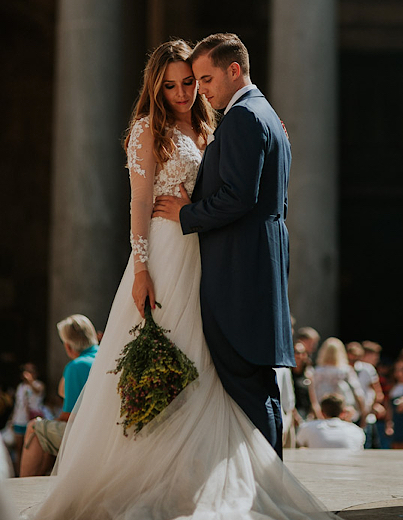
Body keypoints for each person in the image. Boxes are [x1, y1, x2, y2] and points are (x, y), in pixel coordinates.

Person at [27, 39, 330, 518]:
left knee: (205, 364)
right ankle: (150, 472)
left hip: (208, 254)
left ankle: (197, 473)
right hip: (167, 253)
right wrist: (142, 267)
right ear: (156, 87)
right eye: (171, 85)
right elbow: (139, 204)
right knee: (161, 357)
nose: (184, 92)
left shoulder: (216, 123)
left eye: (191, 81)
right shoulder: (149, 129)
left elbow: (239, 181)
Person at [154, 32, 296, 457]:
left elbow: (238, 196)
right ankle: (269, 484)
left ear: (234, 70)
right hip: (258, 262)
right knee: (257, 384)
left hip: (239, 269)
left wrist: (185, 214)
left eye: (206, 78)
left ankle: (264, 489)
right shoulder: (264, 114)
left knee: (245, 384)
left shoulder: (243, 118)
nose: (201, 89)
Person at [19, 316, 98, 478]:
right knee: (46, 430)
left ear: (68, 346)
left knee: (35, 427)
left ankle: (23, 491)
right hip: (103, 431)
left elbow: (68, 416)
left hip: (89, 435)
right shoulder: (104, 355)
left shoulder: (77, 366)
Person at [309, 338, 366, 422]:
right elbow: (357, 391)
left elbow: (312, 393)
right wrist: (363, 412)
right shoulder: (345, 370)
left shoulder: (316, 371)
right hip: (343, 412)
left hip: (322, 412)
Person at [295, 394, 365, 450]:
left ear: (321, 412)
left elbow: (298, 444)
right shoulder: (356, 431)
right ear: (343, 412)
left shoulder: (308, 427)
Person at [9, 363, 45, 474]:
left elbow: (38, 391)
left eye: (31, 371)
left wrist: (30, 381)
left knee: (31, 448)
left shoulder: (39, 385)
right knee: (18, 448)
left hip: (32, 421)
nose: (27, 373)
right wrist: (12, 419)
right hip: (19, 420)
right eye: (25, 371)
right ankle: (18, 473)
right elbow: (18, 405)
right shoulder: (20, 387)